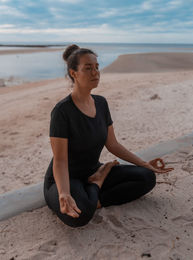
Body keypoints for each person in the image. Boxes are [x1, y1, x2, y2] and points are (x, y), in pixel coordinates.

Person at [43, 44, 174, 228]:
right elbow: (60, 161)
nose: (95, 72)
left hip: (92, 169)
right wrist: (64, 193)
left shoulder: (101, 103)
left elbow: (113, 145)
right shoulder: (62, 111)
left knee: (147, 177)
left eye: (97, 67)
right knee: (78, 217)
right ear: (73, 73)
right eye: (88, 68)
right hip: (65, 178)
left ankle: (94, 190)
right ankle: (97, 183)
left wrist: (144, 163)